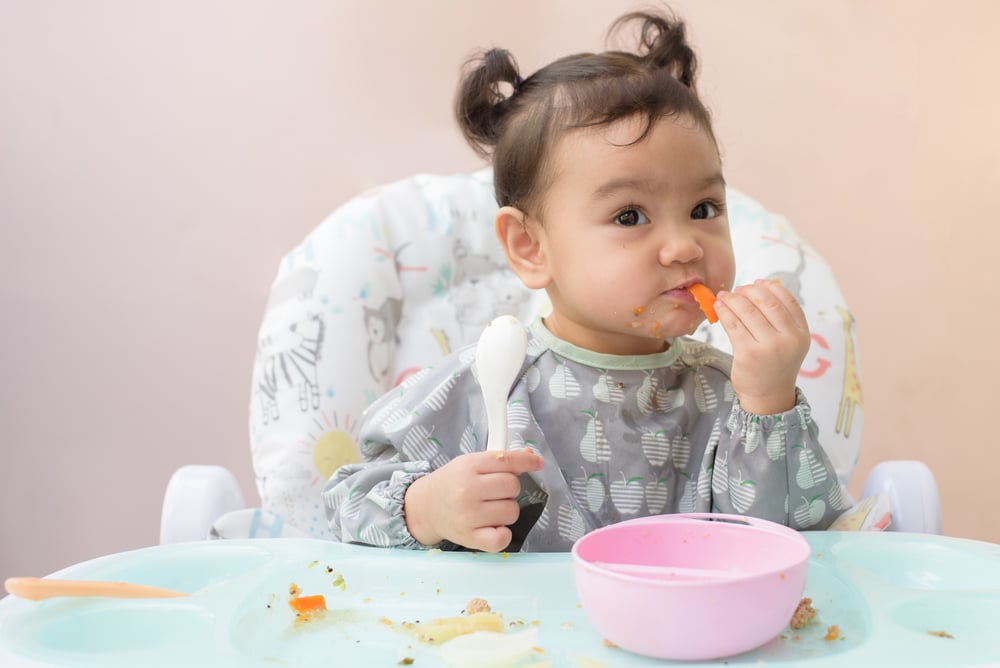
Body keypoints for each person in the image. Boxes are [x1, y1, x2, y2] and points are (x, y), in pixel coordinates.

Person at [323, 9, 843, 552]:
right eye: (630, 216)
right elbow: (343, 501)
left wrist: (769, 400)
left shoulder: (730, 396)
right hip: (509, 633)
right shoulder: (484, 387)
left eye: (704, 207)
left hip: (683, 636)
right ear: (530, 247)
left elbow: (795, 546)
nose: (686, 245)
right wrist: (426, 508)